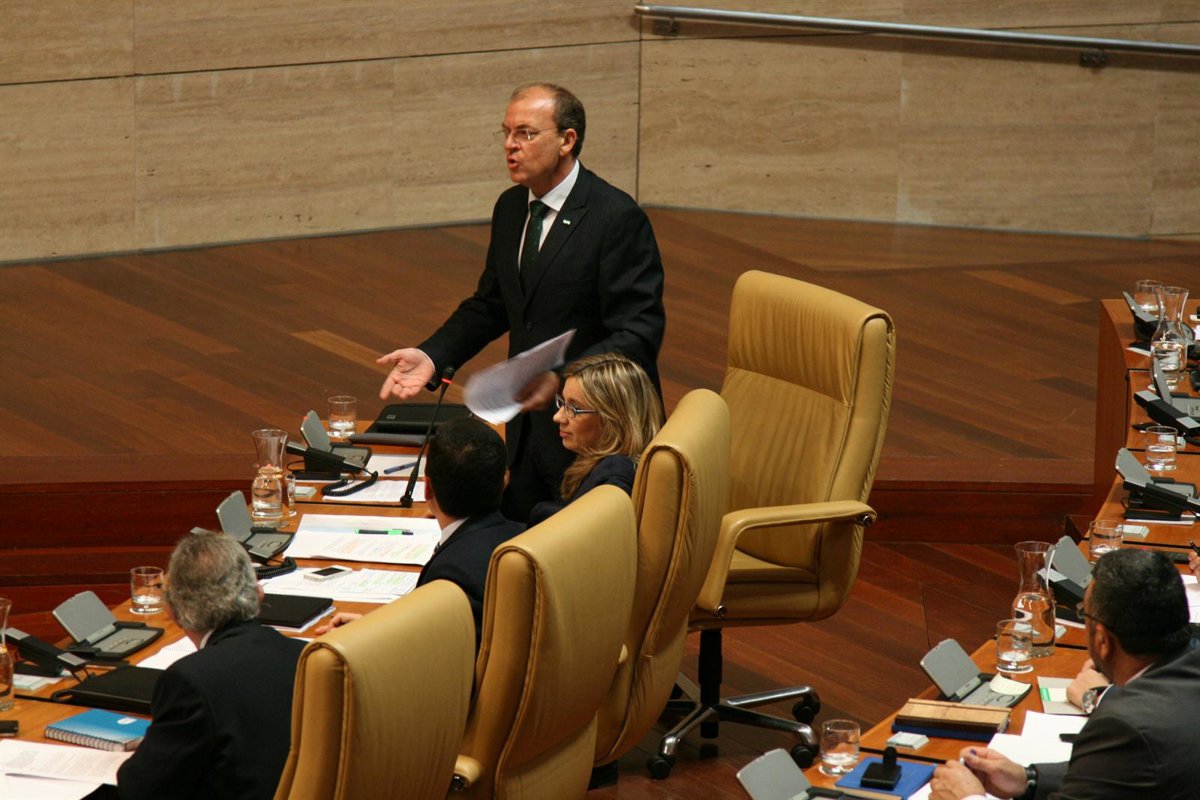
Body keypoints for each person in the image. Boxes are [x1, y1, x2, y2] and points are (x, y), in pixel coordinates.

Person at [376, 82, 666, 523]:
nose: (510, 145)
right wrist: (432, 355)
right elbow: (492, 304)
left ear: (567, 140)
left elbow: (638, 332)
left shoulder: (615, 218)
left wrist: (564, 381)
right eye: (507, 132)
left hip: (594, 439)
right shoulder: (512, 208)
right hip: (527, 433)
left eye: (526, 133)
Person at [929, 549, 1200, 800]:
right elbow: (1123, 772)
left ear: (1103, 640)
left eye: (1085, 615)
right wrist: (1029, 779)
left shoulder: (1125, 724)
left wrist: (969, 798)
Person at [114, 531, 304, 800]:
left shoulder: (191, 680)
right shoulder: (304, 654)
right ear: (258, 593)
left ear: (172, 610)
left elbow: (141, 790)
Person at [316, 417, 523, 647]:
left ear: (427, 488)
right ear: (505, 480)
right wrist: (373, 627)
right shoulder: (525, 535)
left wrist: (362, 640)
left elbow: (429, 653)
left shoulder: (450, 574)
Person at [527, 353, 663, 527]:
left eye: (574, 408)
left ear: (613, 419)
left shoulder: (613, 479)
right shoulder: (611, 462)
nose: (557, 417)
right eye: (562, 402)